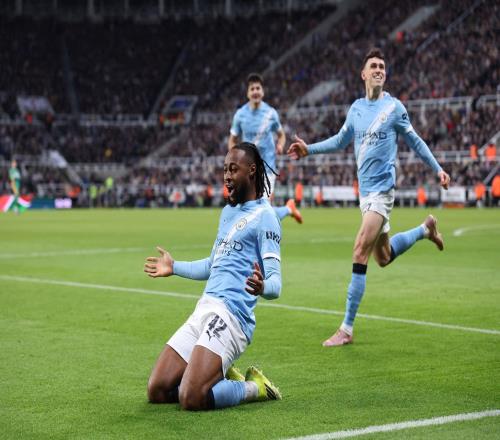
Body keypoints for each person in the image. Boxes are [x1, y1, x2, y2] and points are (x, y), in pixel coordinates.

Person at [288, 48, 451, 347]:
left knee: (359, 250)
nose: (378, 70)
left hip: (382, 192)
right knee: (383, 257)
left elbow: (415, 141)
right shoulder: (356, 109)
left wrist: (438, 168)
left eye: (382, 67)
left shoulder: (394, 108)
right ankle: (425, 230)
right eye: (373, 66)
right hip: (365, 195)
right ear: (363, 74)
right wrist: (309, 148)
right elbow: (340, 140)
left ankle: (346, 329)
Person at [144, 142, 282, 410]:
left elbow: (276, 285)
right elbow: (211, 265)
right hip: (204, 309)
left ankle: (255, 387)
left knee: (191, 397)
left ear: (252, 171)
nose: (227, 176)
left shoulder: (266, 217)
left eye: (233, 169)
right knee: (157, 389)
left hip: (232, 317)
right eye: (225, 169)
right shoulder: (228, 212)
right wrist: (174, 267)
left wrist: (262, 286)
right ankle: (216, 376)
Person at [228, 73, 302, 224]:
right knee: (253, 210)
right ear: (247, 93)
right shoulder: (240, 115)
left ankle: (286, 211)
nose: (255, 91)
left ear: (262, 91)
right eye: (252, 89)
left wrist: (280, 144)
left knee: (262, 209)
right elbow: (232, 140)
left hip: (267, 167)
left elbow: (281, 135)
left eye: (258, 88)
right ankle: (288, 209)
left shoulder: (271, 113)